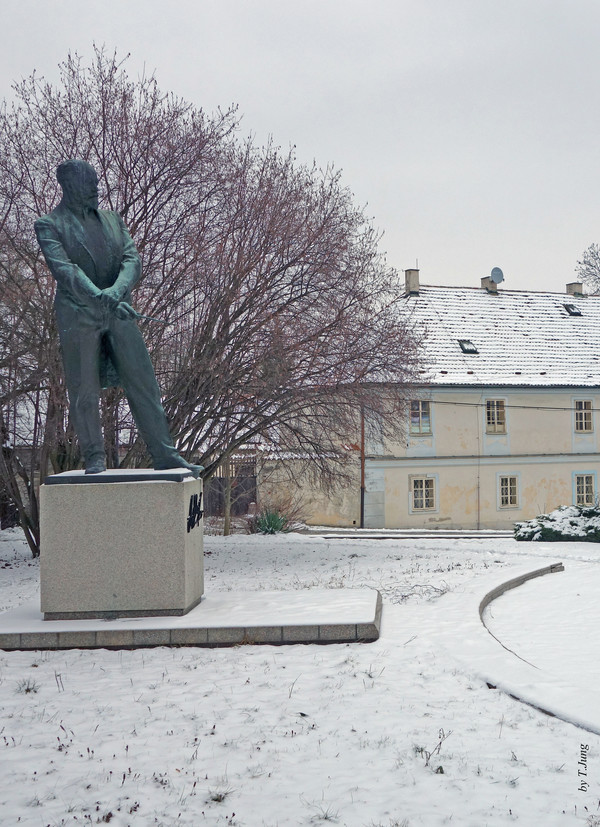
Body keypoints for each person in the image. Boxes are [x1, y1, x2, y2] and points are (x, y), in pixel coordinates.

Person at [34, 159, 202, 477]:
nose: (97, 189)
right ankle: (94, 456)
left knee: (143, 380)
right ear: (70, 187)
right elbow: (65, 270)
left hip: (120, 311)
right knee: (84, 387)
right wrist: (100, 296)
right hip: (79, 314)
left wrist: (117, 289)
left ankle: (164, 454)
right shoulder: (50, 224)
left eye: (97, 183)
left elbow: (131, 258)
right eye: (90, 184)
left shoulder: (113, 219)